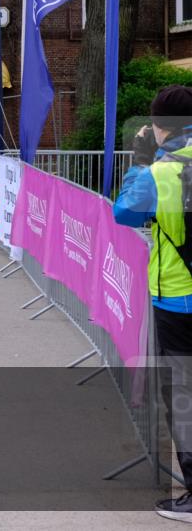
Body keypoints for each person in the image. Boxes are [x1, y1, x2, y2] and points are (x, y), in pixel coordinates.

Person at [113, 85, 192, 522]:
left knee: (182, 394)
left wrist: (142, 159)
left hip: (180, 298)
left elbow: (124, 213)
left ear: (158, 127)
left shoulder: (158, 173)